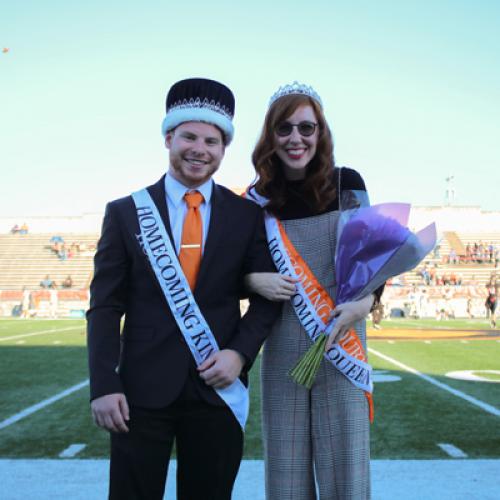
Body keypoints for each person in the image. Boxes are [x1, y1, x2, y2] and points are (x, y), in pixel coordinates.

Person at [87, 78, 279, 500]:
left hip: (218, 385)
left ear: (223, 149)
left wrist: (240, 354)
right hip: (139, 391)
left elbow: (270, 298)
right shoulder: (125, 212)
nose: (200, 149)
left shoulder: (247, 216)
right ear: (169, 137)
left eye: (212, 141)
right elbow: (104, 306)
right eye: (189, 136)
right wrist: (104, 384)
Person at [245, 82, 380, 499]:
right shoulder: (256, 200)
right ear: (271, 135)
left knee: (347, 472)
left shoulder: (347, 184)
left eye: (307, 127)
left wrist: (364, 304)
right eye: (284, 128)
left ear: (321, 132)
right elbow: (237, 267)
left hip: (342, 337)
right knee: (285, 475)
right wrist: (250, 280)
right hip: (282, 337)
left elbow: (375, 258)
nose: (296, 138)